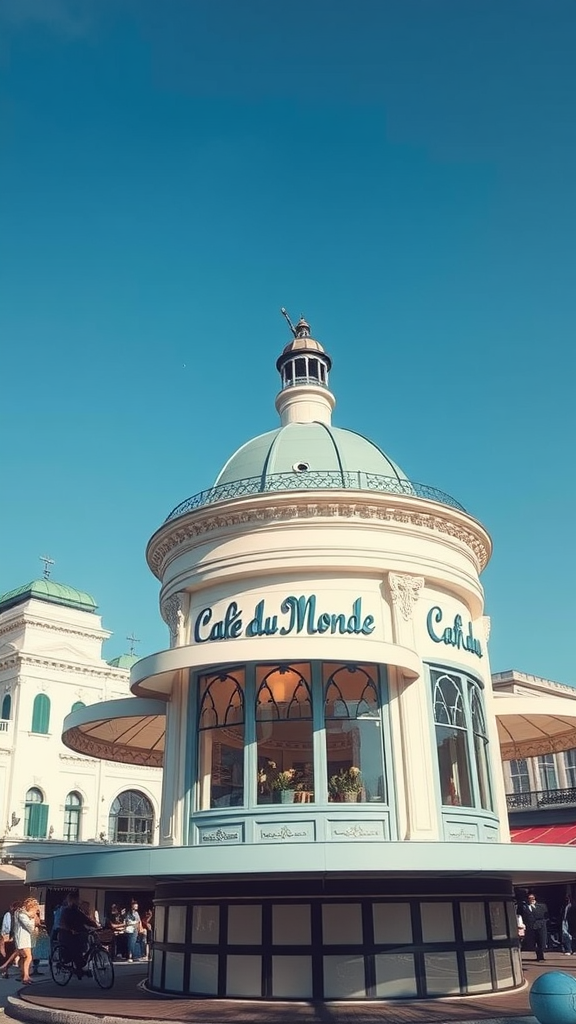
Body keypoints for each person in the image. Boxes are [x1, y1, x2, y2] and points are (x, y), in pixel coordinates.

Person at [58, 892, 99, 980]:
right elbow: (63, 923)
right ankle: (78, 967)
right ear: (72, 900)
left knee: (81, 946)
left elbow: (86, 919)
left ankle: (80, 966)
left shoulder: (77, 911)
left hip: (78, 932)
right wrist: (70, 930)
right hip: (67, 934)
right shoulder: (66, 910)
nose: (77, 901)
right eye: (76, 900)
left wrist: (96, 926)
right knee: (75, 949)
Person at [2, 897, 39, 984]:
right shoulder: (22, 914)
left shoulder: (21, 913)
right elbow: (29, 926)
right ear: (31, 907)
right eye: (34, 909)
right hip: (23, 938)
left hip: (23, 938)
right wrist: (32, 918)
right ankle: (25, 976)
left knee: (23, 956)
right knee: (28, 957)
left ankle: (24, 975)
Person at [522, 892, 548, 961]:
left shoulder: (541, 906)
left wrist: (543, 923)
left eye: (532, 898)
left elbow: (545, 915)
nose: (531, 899)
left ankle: (541, 956)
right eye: (529, 898)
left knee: (542, 941)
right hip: (531, 926)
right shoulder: (525, 907)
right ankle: (538, 956)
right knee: (533, 942)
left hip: (540, 925)